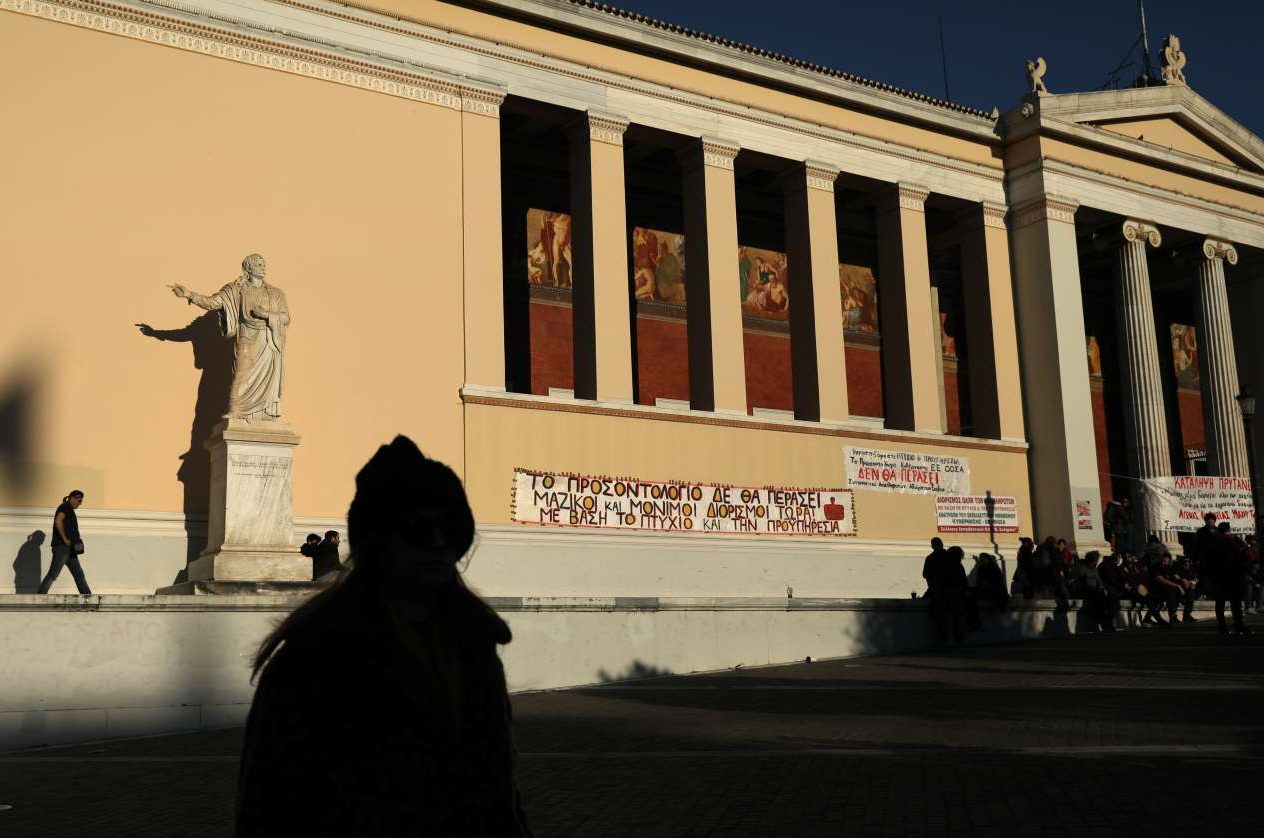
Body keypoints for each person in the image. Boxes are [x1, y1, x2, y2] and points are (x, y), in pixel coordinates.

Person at [235, 436, 532, 836]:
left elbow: (498, 802)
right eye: (419, 530)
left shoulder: (473, 648)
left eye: (450, 528)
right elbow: (268, 813)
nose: (439, 543)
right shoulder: (312, 664)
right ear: (377, 543)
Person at [37, 491, 91, 595]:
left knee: (79, 574)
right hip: (62, 548)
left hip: (70, 549)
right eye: (79, 501)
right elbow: (58, 521)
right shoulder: (65, 507)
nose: (80, 503)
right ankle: (40, 597)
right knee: (53, 574)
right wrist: (65, 539)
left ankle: (88, 598)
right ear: (73, 498)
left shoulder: (68, 508)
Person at [1209, 522, 1250, 637]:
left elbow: (1207, 559)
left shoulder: (1212, 541)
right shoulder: (1232, 541)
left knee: (1220, 603)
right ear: (1229, 529)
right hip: (1234, 575)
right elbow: (1243, 557)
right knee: (1236, 603)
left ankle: (1222, 627)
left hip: (1218, 576)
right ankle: (1239, 625)